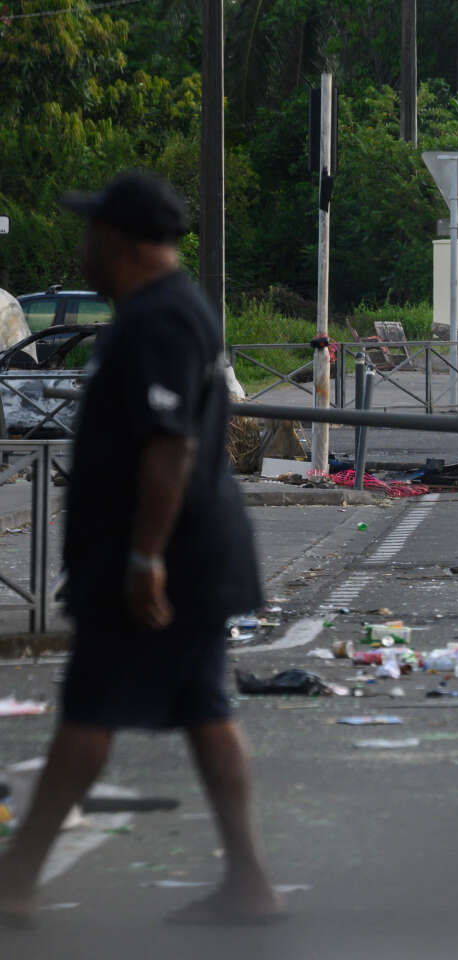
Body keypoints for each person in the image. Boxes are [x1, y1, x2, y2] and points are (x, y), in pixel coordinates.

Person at [0, 171, 284, 928]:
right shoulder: (162, 309)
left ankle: (16, 876)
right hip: (184, 554)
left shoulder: (159, 319)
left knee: (90, 710)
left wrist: (143, 558)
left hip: (161, 558)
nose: (83, 245)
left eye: (93, 231)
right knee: (204, 708)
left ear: (121, 240)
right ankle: (251, 881)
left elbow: (168, 447)